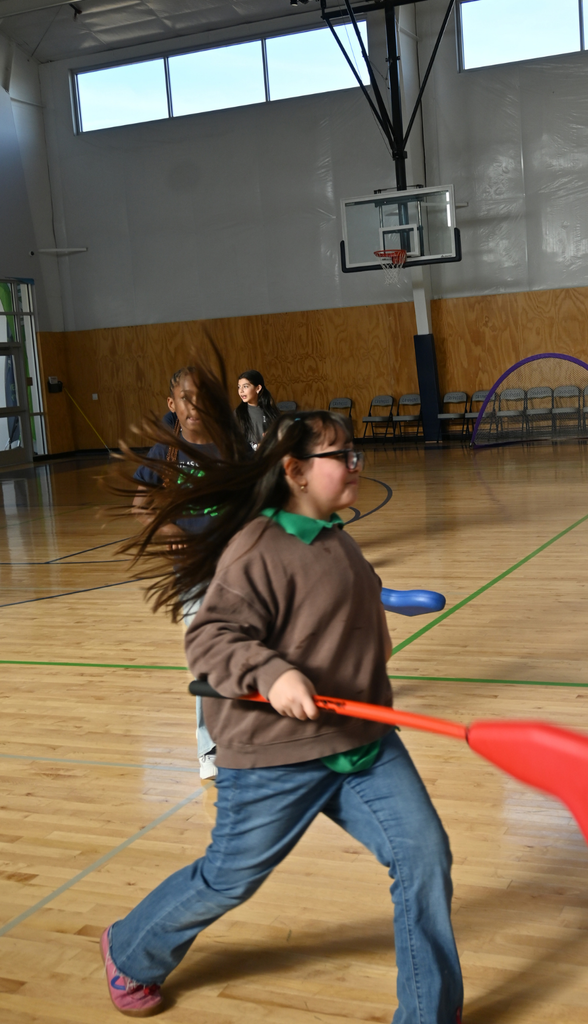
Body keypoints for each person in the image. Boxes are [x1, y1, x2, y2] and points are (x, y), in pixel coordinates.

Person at [104, 377, 463, 1022]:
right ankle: (129, 949)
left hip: (362, 745)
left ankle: (427, 1014)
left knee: (424, 857)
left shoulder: (333, 536)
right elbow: (211, 640)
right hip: (275, 754)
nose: (355, 465)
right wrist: (271, 674)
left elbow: (334, 604)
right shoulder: (257, 549)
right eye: (341, 456)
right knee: (229, 879)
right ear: (296, 471)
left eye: (355, 454)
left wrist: (385, 602)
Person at [132, 367, 221, 781]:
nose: (193, 405)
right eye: (185, 398)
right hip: (193, 575)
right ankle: (210, 747)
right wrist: (169, 529)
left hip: (239, 569)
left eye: (201, 397)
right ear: (173, 405)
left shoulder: (232, 449)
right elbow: (140, 507)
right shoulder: (164, 453)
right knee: (206, 656)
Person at [235, 368, 278, 450]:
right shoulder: (238, 414)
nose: (241, 391)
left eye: (245, 386)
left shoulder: (271, 411)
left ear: (258, 388)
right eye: (239, 387)